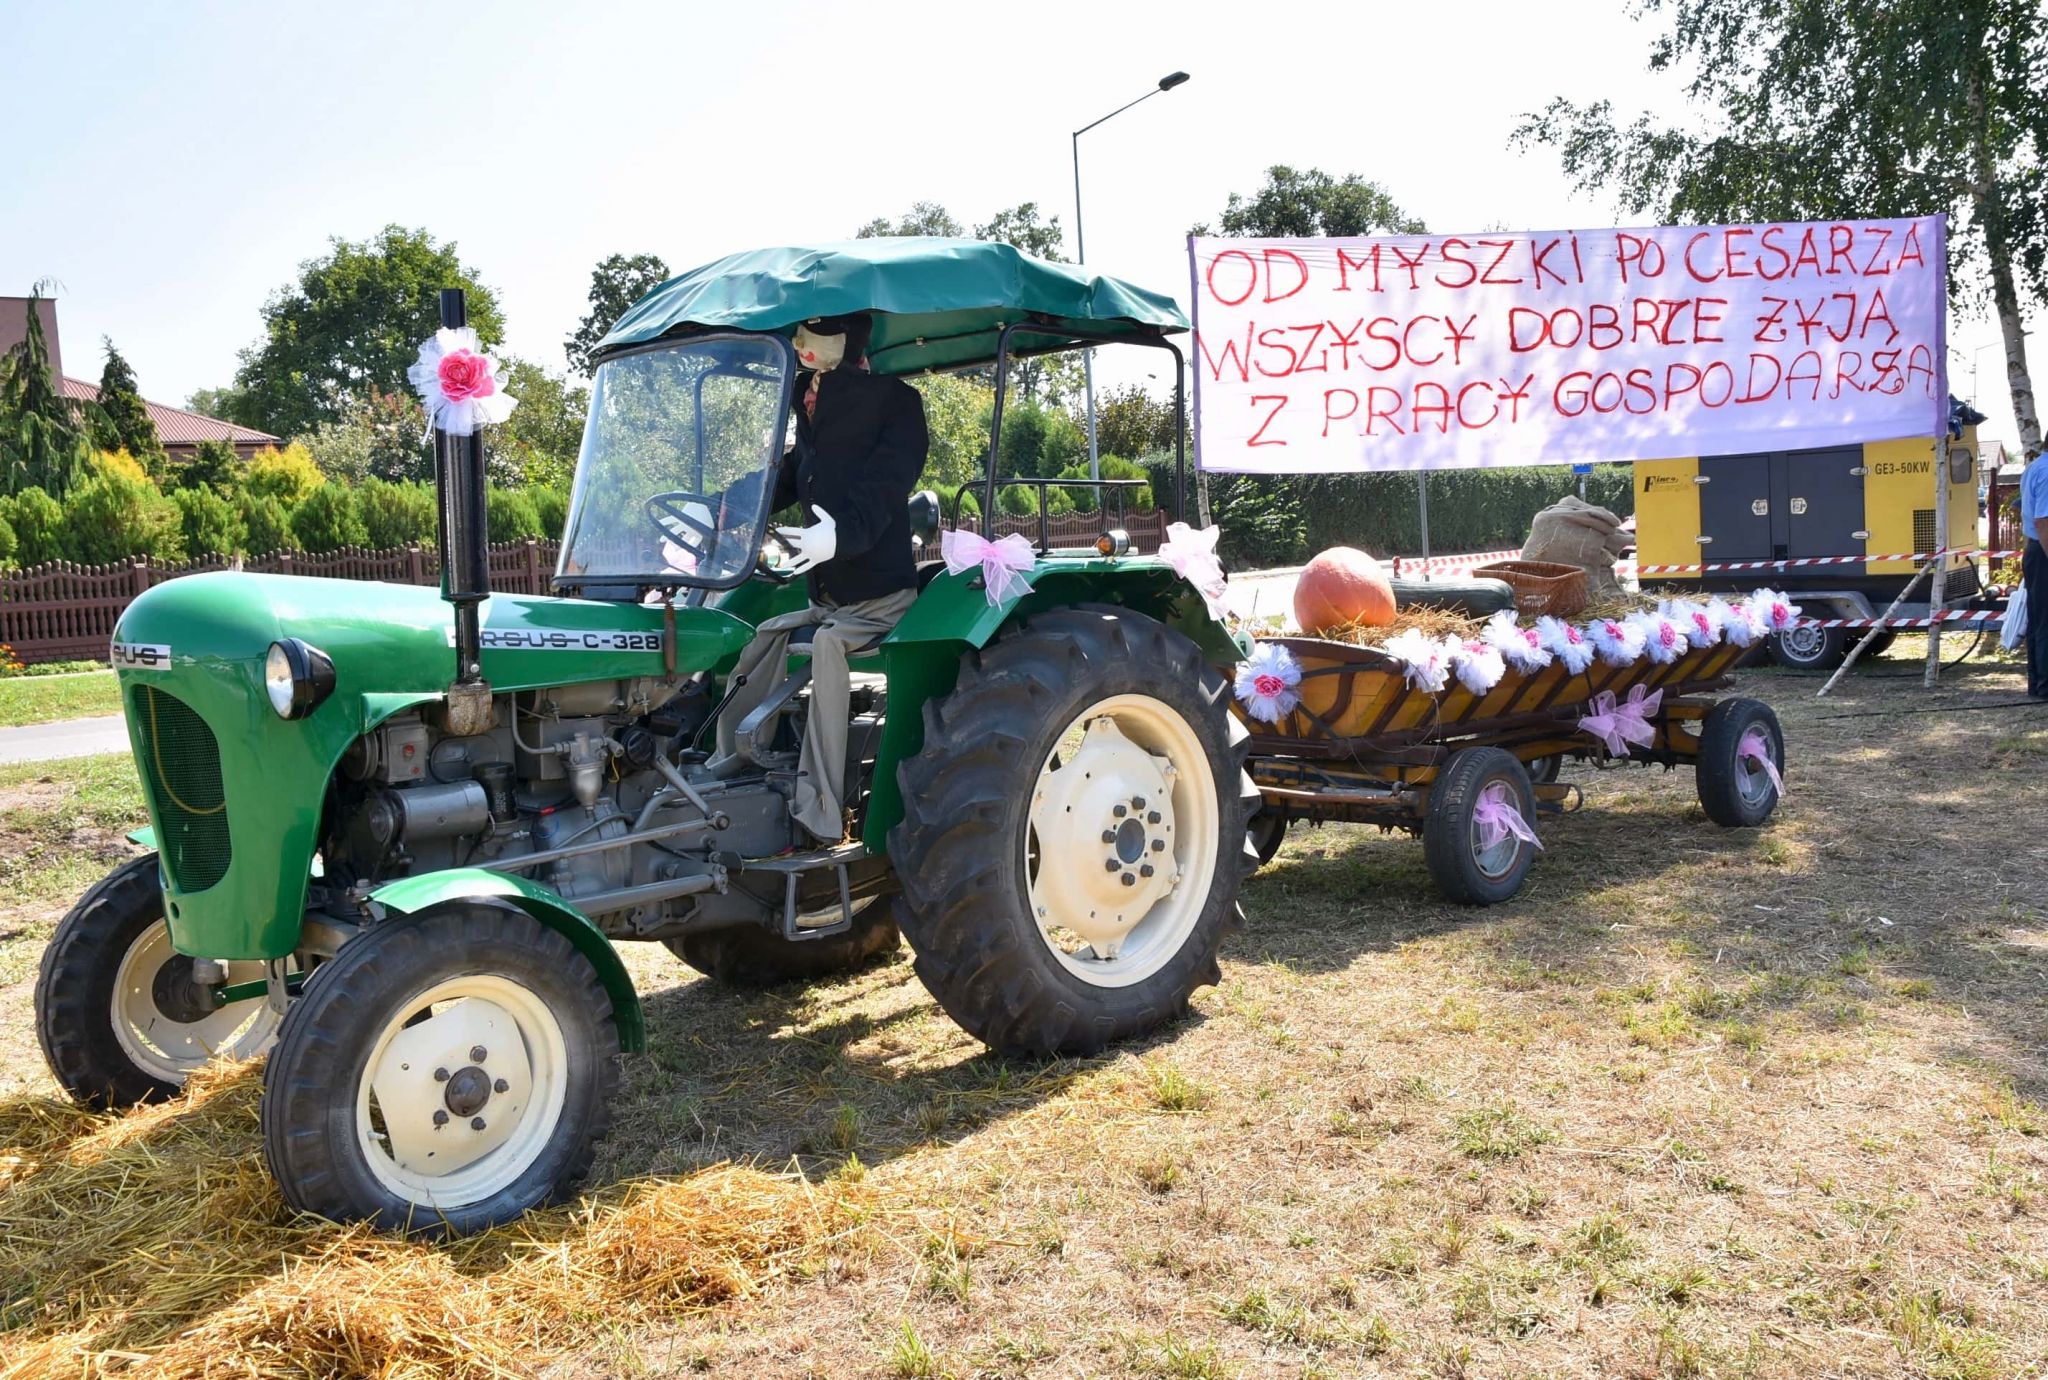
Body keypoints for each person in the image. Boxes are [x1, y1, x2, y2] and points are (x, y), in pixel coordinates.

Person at [708, 312, 928, 841]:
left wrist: (842, 534)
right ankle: (726, 756)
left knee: (827, 648)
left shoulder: (892, 402)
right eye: (800, 334)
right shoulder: (811, 398)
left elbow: (885, 483)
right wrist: (728, 504)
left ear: (849, 339)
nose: (802, 343)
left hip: (879, 592)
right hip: (829, 594)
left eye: (818, 332)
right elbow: (790, 474)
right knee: (767, 633)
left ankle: (821, 808)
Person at [2022, 446, 2048, 699]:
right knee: (2045, 622)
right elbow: (2043, 521)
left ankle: (2038, 683)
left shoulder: (2035, 467)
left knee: (2038, 620)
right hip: (2043, 550)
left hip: (2035, 550)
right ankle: (2044, 686)